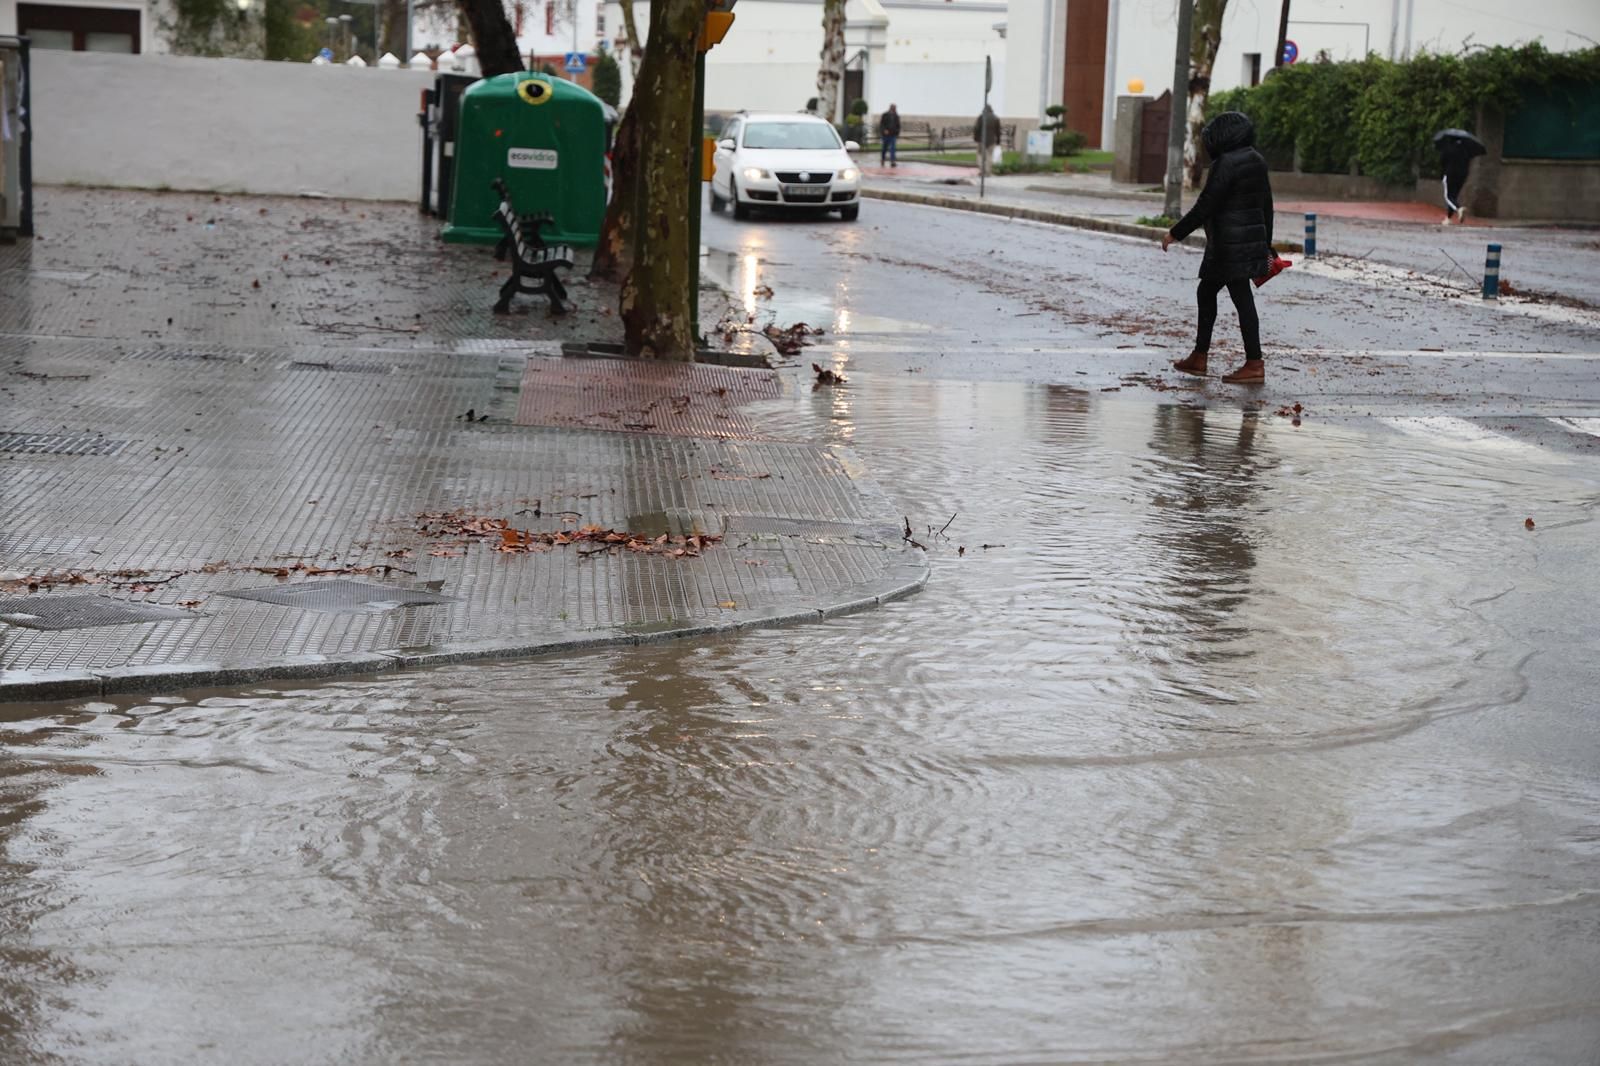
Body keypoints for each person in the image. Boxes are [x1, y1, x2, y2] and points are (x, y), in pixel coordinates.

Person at [1160, 110, 1274, 385]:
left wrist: (1176, 233)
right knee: (1208, 291)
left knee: (1239, 297)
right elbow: (1267, 205)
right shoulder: (1256, 160)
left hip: (1228, 245)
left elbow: (1206, 204)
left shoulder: (1226, 163)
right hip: (1244, 242)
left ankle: (1253, 362)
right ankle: (1200, 356)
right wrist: (1265, 244)